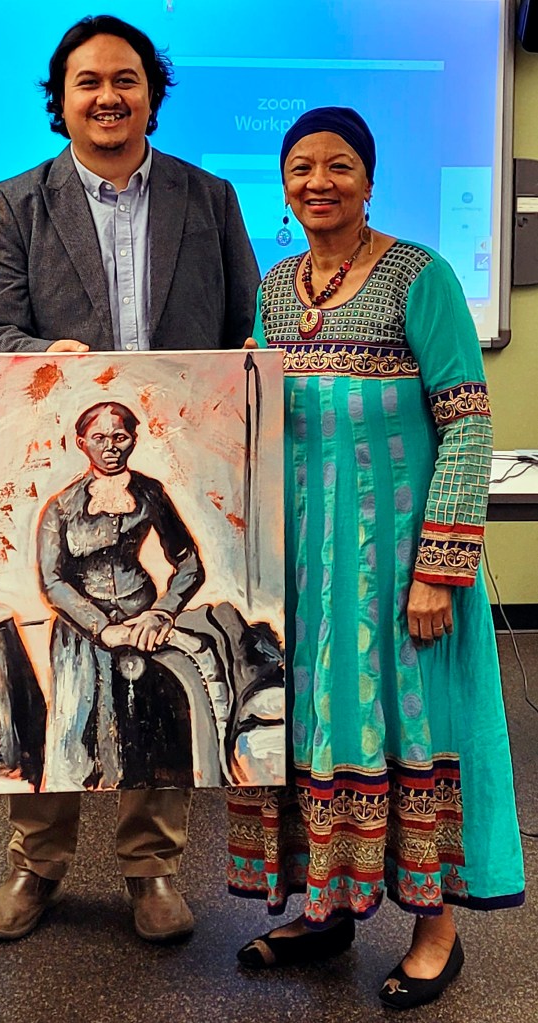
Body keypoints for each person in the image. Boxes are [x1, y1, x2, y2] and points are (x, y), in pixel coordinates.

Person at [0, 14, 259, 943]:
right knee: (66, 707)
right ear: (60, 101)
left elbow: (244, 330)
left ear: (151, 95)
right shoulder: (10, 204)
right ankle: (35, 864)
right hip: (60, 449)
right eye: (87, 81)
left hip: (176, 453)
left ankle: (151, 867)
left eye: (125, 79)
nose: (107, 96)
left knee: (157, 706)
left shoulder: (209, 199)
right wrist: (40, 356)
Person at [226, 107, 524, 1010]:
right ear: (283, 185)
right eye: (300, 168)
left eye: (338, 166)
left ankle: (436, 930)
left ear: (368, 178)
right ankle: (325, 908)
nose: (317, 182)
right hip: (303, 568)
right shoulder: (274, 288)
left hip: (396, 567)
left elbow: (467, 424)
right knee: (315, 728)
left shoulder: (418, 277)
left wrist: (439, 566)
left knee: (411, 728)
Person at [38, 401, 205, 793]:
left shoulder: (150, 493)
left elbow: (189, 563)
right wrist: (102, 629)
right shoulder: (61, 507)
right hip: (81, 636)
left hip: (143, 629)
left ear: (133, 440)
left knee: (147, 746)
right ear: (81, 443)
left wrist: (162, 613)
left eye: (119, 437)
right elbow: (51, 582)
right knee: (80, 747)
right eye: (99, 438)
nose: (110, 447)